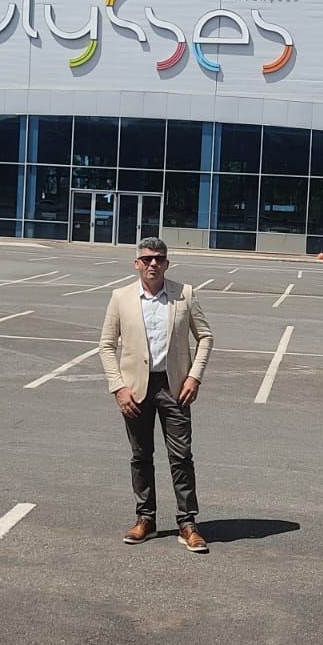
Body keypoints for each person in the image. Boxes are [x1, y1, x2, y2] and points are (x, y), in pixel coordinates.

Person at [99, 236, 213, 552]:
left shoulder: (184, 294)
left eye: (159, 258)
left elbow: (205, 337)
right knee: (140, 456)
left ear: (167, 263)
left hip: (175, 387)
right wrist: (118, 387)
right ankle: (145, 519)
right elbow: (106, 345)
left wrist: (195, 377)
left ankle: (187, 523)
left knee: (181, 457)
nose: (153, 263)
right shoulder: (120, 297)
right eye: (147, 258)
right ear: (137, 263)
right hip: (135, 389)